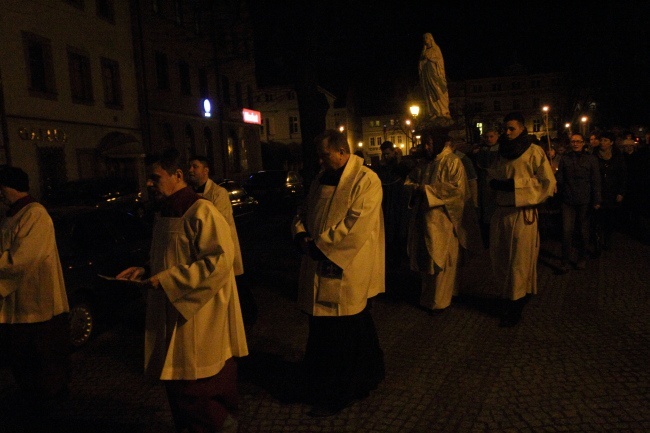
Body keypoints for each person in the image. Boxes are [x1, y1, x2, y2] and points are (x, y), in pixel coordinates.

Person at [117, 148, 248, 433]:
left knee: (198, 387)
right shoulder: (165, 213)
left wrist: (168, 280)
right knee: (178, 387)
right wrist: (146, 270)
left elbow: (218, 262)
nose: (149, 184)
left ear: (177, 176)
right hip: (171, 309)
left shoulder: (202, 211)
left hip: (198, 315)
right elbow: (170, 255)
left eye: (155, 178)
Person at [292, 129, 385, 417]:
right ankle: (356, 375)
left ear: (343, 152)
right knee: (326, 328)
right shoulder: (321, 178)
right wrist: (301, 235)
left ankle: (341, 390)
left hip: (346, 264)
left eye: (325, 154)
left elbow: (356, 222)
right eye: (319, 155)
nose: (320, 160)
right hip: (318, 259)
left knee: (345, 329)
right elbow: (304, 211)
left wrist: (323, 246)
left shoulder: (365, 180)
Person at [0, 166, 70, 420]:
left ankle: (47, 408)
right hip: (18, 306)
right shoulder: (13, 216)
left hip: (36, 305)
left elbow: (23, 259)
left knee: (42, 361)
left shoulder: (35, 215)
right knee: (23, 361)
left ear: (9, 187)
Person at [488, 112, 556, 327]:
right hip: (502, 212)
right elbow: (493, 174)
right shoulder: (501, 153)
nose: (507, 133)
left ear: (522, 130)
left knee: (519, 260)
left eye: (512, 129)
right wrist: (494, 183)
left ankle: (516, 305)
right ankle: (507, 297)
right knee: (501, 258)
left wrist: (516, 186)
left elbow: (548, 183)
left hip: (522, 213)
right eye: (505, 129)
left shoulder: (533, 151)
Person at [404, 129, 472, 314]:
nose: (426, 147)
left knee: (442, 260)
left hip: (443, 221)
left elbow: (457, 191)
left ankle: (441, 300)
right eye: (424, 143)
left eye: (429, 143)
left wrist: (426, 190)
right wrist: (415, 189)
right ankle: (428, 297)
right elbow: (409, 181)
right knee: (427, 260)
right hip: (424, 219)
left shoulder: (452, 162)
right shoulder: (424, 164)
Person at [187, 155, 257, 326]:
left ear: (206, 170)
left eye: (195, 166)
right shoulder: (189, 193)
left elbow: (219, 222)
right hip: (205, 250)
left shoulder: (218, 193)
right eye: (190, 167)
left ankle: (247, 318)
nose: (191, 170)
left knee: (236, 286)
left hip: (223, 248)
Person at [556, 132, 601, 272]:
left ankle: (582, 258)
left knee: (583, 231)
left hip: (584, 200)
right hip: (568, 200)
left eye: (578, 141)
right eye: (573, 141)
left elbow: (596, 180)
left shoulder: (591, 159)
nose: (575, 143)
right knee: (566, 231)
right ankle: (564, 261)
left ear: (583, 143)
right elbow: (560, 178)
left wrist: (597, 199)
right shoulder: (564, 159)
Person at [375, 141, 409, 266]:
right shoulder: (382, 167)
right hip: (387, 203)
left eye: (388, 154)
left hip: (398, 202)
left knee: (399, 230)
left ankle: (399, 258)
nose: (386, 156)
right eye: (384, 154)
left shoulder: (400, 166)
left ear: (393, 152)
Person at [592, 131, 627, 254]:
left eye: (606, 140)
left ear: (611, 143)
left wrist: (620, 192)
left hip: (612, 192)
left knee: (609, 218)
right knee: (597, 219)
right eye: (601, 140)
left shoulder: (617, 156)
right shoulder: (594, 155)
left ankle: (607, 239)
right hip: (598, 191)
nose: (603, 143)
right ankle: (596, 242)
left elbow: (622, 175)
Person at [475, 127, 500, 247]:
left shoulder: (501, 150)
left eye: (492, 136)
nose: (489, 139)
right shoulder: (481, 150)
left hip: (495, 184)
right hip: (484, 184)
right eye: (487, 137)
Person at [419, 32, 451, 120]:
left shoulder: (436, 49)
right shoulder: (424, 51)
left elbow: (440, 61)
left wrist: (430, 59)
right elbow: (421, 64)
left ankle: (443, 111)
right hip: (427, 75)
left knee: (439, 90)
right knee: (429, 93)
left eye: (427, 38)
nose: (425, 40)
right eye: (424, 38)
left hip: (436, 74)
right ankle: (434, 111)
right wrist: (423, 61)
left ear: (431, 39)